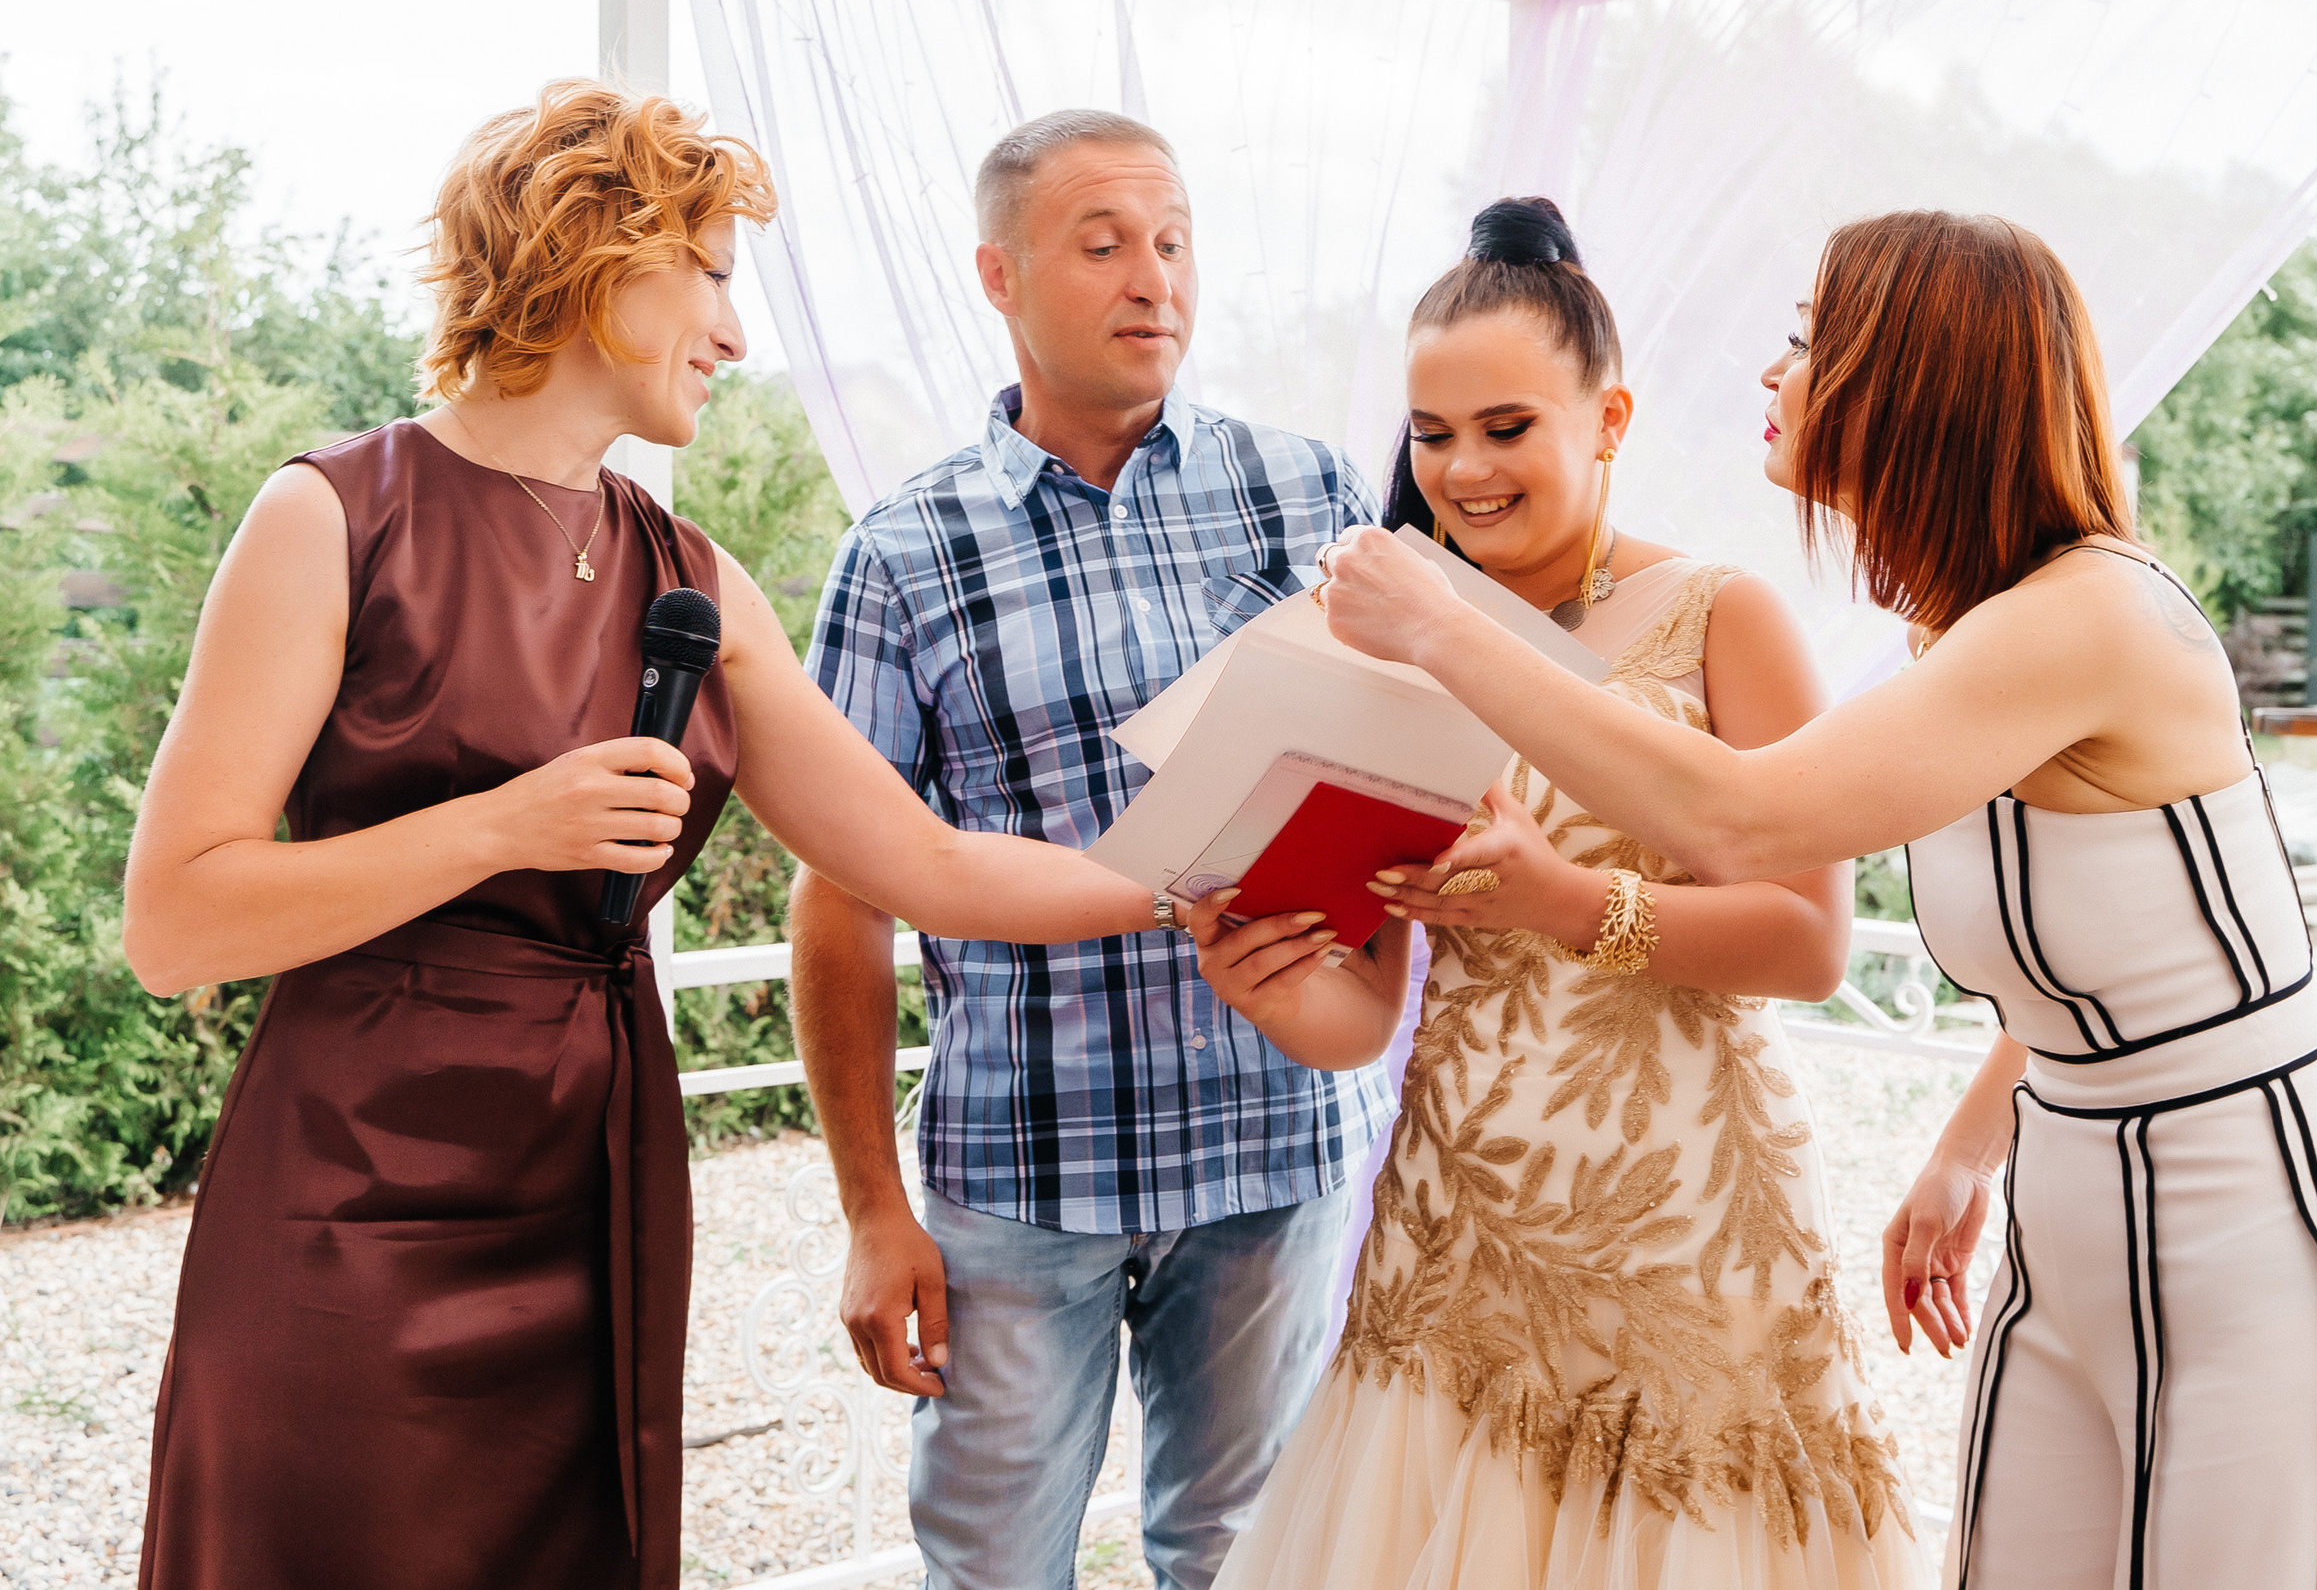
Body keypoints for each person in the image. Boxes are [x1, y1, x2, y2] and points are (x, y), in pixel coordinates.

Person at [121, 82, 1164, 1590]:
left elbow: (922, 863)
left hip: (592, 1179)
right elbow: (177, 921)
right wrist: (501, 825)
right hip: (345, 1199)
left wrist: (1187, 888)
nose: (738, 335)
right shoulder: (333, 515)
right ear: (605, 256)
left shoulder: (693, 573)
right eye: (719, 275)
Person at [1310, 210, 2317, 1587]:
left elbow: (1744, 818)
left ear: (1915, 377)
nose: (1772, 374)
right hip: (2067, 1222)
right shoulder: (1952, 633)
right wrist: (1971, 1150)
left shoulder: (2090, 614)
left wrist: (1441, 625)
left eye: (1805, 340)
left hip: (2255, 1242)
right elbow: (2103, 957)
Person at [1193, 198, 1929, 1590]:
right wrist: (1271, 977)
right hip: (1456, 1230)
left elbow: (1811, 940)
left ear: (1609, 418)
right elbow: (1370, 1014)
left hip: (1688, 1223)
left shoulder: (1722, 618)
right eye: (1433, 433)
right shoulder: (1381, 655)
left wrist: (1560, 900)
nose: (1464, 469)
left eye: (1507, 427)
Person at [786, 109, 1397, 1590]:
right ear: (999, 275)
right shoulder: (904, 551)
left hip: (1272, 1153)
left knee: (1248, 1560)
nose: (1155, 281)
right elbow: (840, 898)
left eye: (1176, 243)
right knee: (991, 1566)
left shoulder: (1305, 493)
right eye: (1106, 244)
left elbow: (1385, 782)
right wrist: (874, 1210)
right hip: (1019, 1170)